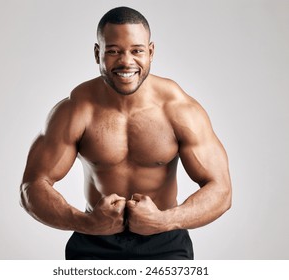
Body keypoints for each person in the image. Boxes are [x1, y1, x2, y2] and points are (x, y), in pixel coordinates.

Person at [20, 6, 232, 260]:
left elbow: (221, 190)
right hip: (94, 239)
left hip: (165, 241)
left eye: (137, 51)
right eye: (113, 51)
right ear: (98, 53)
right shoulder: (75, 110)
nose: (126, 62)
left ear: (151, 52)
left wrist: (163, 221)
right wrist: (86, 223)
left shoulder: (180, 110)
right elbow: (32, 186)